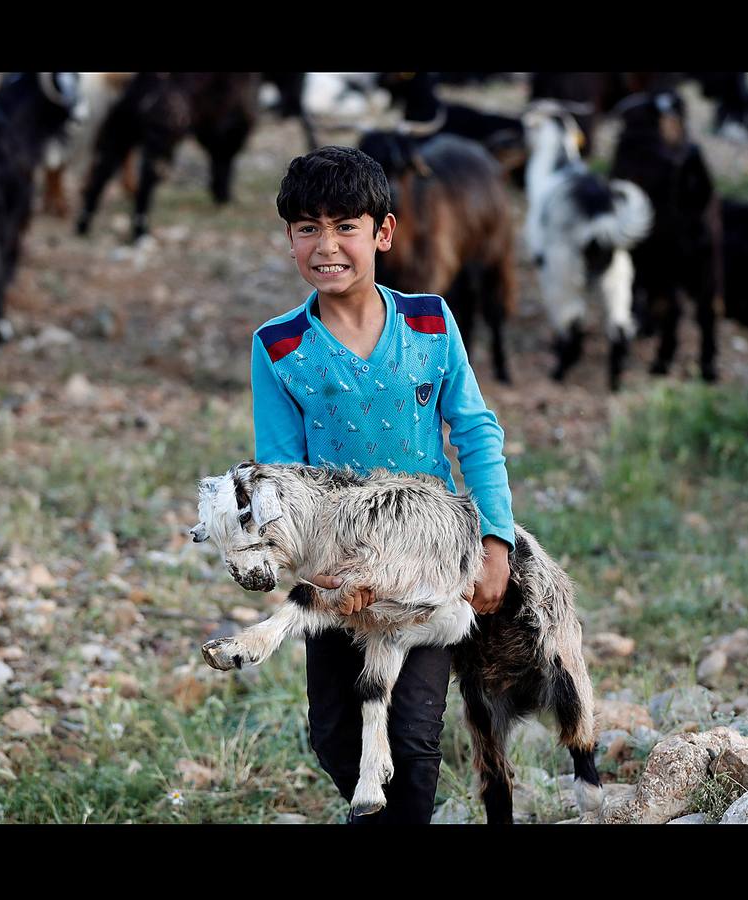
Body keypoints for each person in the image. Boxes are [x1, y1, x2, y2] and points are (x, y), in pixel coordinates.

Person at [250, 145, 514, 823]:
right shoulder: (278, 346)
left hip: (426, 566)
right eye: (307, 227)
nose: (326, 245)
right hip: (335, 573)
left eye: (346, 226)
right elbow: (282, 474)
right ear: (289, 239)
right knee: (336, 734)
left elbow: (475, 431)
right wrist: (294, 557)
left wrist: (495, 542)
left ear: (383, 233)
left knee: (411, 735)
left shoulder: (430, 320)